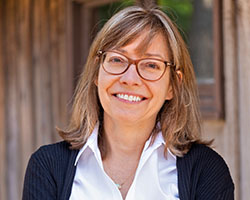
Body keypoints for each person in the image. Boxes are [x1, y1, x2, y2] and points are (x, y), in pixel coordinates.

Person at [22, 4, 234, 200]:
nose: (130, 79)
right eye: (117, 60)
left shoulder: (207, 171)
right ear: (97, 72)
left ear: (173, 85)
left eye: (151, 65)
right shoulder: (47, 167)